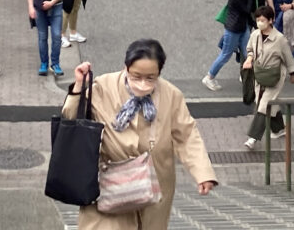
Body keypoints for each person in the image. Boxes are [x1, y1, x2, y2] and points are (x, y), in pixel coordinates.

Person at [64, 41, 217, 228]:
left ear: (159, 73)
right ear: (126, 67)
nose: (143, 84)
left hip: (154, 184)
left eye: (151, 78)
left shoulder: (171, 94)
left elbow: (187, 135)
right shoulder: (102, 87)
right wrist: (79, 87)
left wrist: (202, 173)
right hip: (107, 182)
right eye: (136, 76)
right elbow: (71, 120)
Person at [242, 5, 294, 148]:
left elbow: (288, 58)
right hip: (260, 75)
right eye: (258, 20)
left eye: (263, 20)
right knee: (270, 103)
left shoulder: (279, 39)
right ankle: (278, 128)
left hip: (275, 77)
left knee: (263, 105)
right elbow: (249, 49)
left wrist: (292, 73)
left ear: (271, 20)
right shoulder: (255, 35)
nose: (260, 23)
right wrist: (249, 58)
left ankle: (252, 138)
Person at [202, 0, 255, 92]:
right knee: (226, 54)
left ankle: (249, 78)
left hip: (242, 27)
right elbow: (247, 10)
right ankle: (209, 76)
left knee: (248, 52)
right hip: (234, 29)